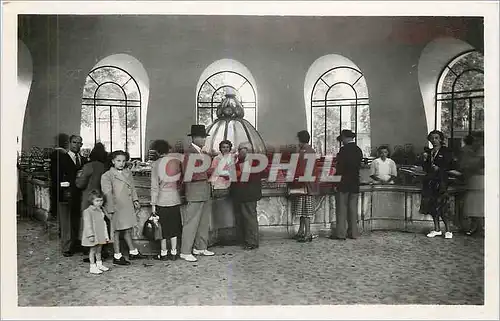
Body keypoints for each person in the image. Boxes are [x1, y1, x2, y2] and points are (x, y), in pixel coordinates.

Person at [101, 150, 145, 265]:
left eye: (124, 161)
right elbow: (107, 194)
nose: (121, 163)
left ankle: (132, 251)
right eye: (118, 161)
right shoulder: (107, 176)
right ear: (113, 161)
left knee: (127, 229)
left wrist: (135, 199)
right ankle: (117, 255)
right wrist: (110, 209)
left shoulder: (128, 173)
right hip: (115, 206)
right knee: (115, 231)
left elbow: (132, 187)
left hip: (127, 205)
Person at [180, 125, 215, 262]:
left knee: (203, 221)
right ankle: (185, 251)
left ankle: (200, 247)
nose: (204, 139)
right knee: (191, 222)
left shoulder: (201, 153)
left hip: (204, 190)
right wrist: (208, 173)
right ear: (194, 138)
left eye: (205, 137)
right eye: (202, 137)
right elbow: (188, 173)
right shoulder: (189, 152)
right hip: (195, 191)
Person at [75, 142, 109, 262]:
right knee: (100, 224)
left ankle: (89, 252)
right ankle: (101, 250)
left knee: (88, 224)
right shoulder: (105, 167)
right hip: (101, 197)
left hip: (88, 198)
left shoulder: (89, 166)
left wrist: (76, 179)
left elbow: (81, 184)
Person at [150, 139, 183, 261]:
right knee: (174, 227)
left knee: (162, 229)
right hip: (174, 198)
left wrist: (153, 204)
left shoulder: (155, 164)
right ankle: (174, 252)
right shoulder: (176, 162)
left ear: (157, 151)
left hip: (161, 200)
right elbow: (180, 182)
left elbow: (154, 186)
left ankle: (163, 253)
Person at [419, 130, 454, 239]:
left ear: (441, 139)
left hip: (442, 182)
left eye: (436, 138)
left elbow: (450, 166)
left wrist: (440, 169)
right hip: (430, 182)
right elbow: (425, 168)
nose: (434, 140)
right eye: (432, 138)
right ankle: (437, 229)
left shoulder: (446, 152)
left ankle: (448, 230)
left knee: (442, 206)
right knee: (432, 206)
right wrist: (424, 160)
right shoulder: (429, 152)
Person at [330, 129, 363, 240]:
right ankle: (353, 233)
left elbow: (340, 169)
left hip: (343, 183)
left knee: (341, 209)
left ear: (344, 137)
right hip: (355, 183)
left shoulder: (343, 150)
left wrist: (335, 182)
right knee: (353, 209)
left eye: (342, 138)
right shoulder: (358, 150)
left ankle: (340, 234)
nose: (342, 141)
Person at [231, 142, 262, 250]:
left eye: (240, 150)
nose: (238, 152)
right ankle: (248, 240)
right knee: (248, 217)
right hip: (246, 193)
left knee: (249, 218)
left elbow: (237, 174)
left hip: (248, 193)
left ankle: (252, 241)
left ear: (246, 150)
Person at [291, 130, 319, 243]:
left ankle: (307, 234)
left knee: (305, 212)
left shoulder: (304, 152)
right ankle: (301, 231)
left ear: (300, 139)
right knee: (303, 211)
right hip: (308, 185)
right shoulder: (310, 150)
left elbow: (301, 170)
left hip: (305, 186)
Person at [81, 189, 112, 274]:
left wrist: (104, 210)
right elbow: (88, 224)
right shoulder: (88, 211)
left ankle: (99, 264)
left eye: (101, 200)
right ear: (92, 201)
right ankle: (92, 266)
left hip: (100, 233)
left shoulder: (101, 210)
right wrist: (90, 235)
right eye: (97, 201)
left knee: (99, 250)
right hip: (94, 234)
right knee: (93, 250)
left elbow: (107, 219)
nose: (99, 202)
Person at [459, 132, 484, 236]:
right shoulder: (471, 151)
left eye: (478, 140)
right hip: (473, 182)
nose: (475, 142)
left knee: (481, 205)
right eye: (474, 140)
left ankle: (480, 227)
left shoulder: (484, 151)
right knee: (473, 206)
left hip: (482, 182)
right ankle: (475, 226)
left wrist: (471, 166)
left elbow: (480, 166)